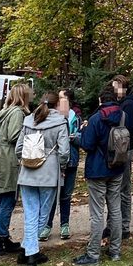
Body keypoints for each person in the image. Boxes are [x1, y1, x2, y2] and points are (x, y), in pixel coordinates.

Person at [73, 85, 127, 266]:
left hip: (97, 169)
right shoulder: (122, 116)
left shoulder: (96, 119)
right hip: (117, 167)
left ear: (100, 100)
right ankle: (116, 251)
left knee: (97, 213)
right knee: (115, 210)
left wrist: (78, 136)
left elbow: (88, 144)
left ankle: (93, 254)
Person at [15, 92, 70, 266]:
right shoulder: (60, 122)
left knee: (30, 212)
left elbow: (19, 148)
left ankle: (26, 248)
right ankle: (32, 252)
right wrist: (62, 167)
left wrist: (25, 161)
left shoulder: (29, 120)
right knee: (43, 214)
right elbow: (64, 152)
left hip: (28, 171)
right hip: (49, 172)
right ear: (56, 105)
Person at [0, 82, 30, 255]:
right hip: (8, 158)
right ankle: (2, 238)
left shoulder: (6, 111)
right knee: (8, 199)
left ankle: (1, 236)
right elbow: (14, 136)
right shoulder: (17, 113)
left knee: (3, 198)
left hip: (1, 156)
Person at [46, 89, 81, 240]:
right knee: (53, 194)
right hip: (55, 161)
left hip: (71, 159)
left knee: (66, 195)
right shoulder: (52, 117)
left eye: (61, 98)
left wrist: (75, 138)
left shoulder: (75, 117)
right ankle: (47, 224)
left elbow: (81, 137)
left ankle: (64, 224)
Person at [114, 75, 133, 241]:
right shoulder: (120, 103)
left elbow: (126, 129)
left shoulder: (128, 104)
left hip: (125, 149)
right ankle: (115, 224)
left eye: (118, 87)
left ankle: (124, 226)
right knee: (116, 188)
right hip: (118, 149)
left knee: (124, 188)